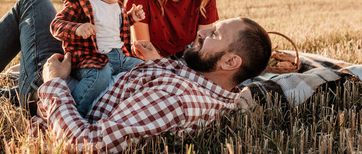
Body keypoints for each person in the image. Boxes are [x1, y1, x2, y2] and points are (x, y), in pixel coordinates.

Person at [33, 17, 272, 153]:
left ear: (230, 62)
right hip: (92, 79)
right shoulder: (219, 87)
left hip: (69, 101)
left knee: (34, 5)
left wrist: (54, 81)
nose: (202, 31)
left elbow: (86, 145)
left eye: (214, 35)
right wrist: (158, 64)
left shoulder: (174, 99)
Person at [50, 0, 145, 116]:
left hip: (120, 56)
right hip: (91, 58)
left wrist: (132, 17)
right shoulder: (81, 1)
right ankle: (76, 113)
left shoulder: (114, 1)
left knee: (144, 68)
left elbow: (116, 24)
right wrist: (77, 28)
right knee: (100, 76)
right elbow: (56, 25)